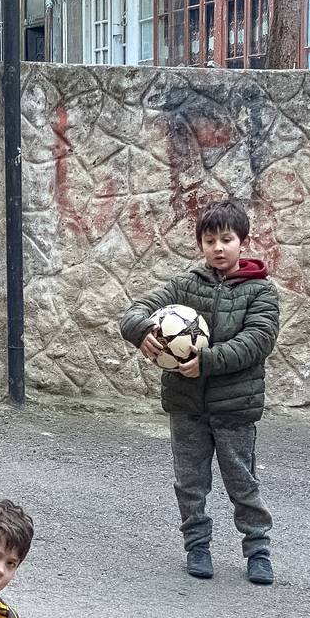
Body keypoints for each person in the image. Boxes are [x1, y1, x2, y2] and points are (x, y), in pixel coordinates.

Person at [119, 199, 281, 585]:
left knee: (242, 481)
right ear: (201, 245)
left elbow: (258, 340)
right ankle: (197, 546)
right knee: (190, 483)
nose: (218, 248)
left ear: (243, 242)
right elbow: (137, 309)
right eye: (210, 241)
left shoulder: (261, 291)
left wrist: (207, 361)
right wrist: (140, 331)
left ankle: (258, 550)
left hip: (235, 406)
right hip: (186, 404)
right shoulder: (185, 286)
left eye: (227, 239)